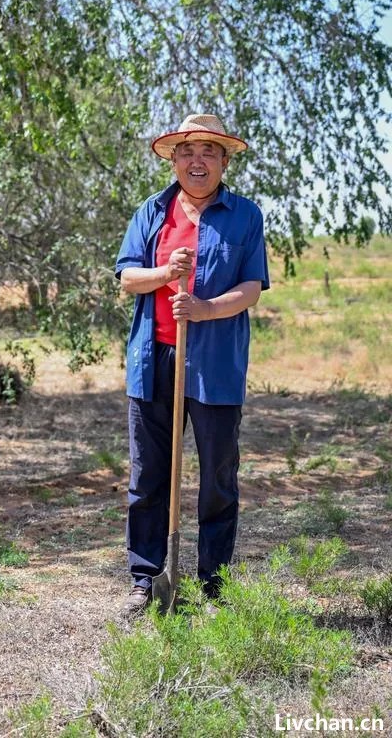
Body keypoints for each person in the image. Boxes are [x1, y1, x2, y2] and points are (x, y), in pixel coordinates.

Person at [115, 113, 269, 616]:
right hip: (153, 357)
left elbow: (250, 288)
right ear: (174, 159)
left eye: (208, 150)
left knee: (218, 475)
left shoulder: (245, 216)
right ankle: (146, 577)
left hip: (215, 361)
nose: (196, 160)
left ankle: (214, 585)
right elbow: (126, 277)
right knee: (148, 475)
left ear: (224, 161)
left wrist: (205, 309)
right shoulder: (152, 210)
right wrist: (165, 272)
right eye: (187, 150)